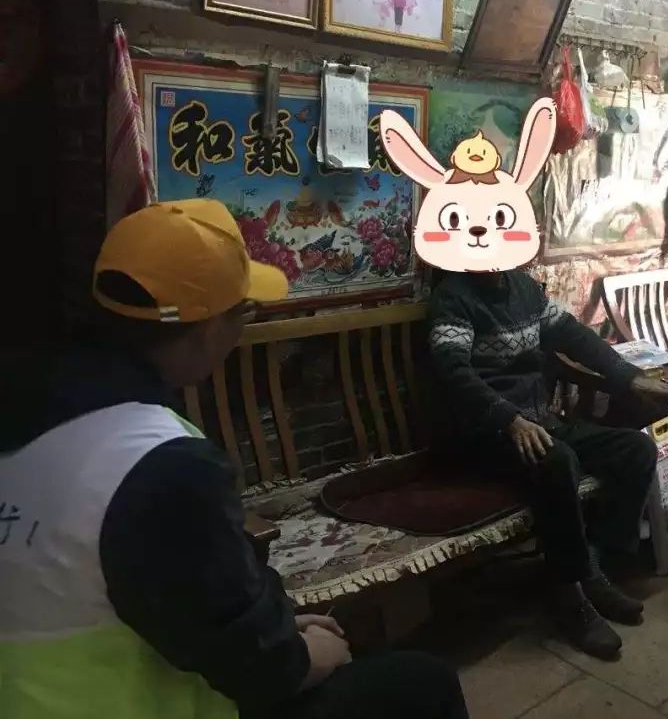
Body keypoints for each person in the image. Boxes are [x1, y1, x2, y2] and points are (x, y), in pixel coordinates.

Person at [0, 199, 469, 719]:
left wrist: (277, 627)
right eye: (242, 313)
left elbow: (196, 604)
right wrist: (311, 652)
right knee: (424, 684)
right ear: (208, 330)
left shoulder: (29, 414)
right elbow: (263, 670)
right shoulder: (161, 465)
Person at [427, 269, 668, 660]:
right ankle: (568, 593)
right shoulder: (454, 297)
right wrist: (509, 419)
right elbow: (452, 371)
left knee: (636, 449)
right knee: (557, 461)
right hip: (488, 433)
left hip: (542, 421)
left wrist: (630, 378)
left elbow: (576, 337)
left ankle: (594, 565)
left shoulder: (524, 287)